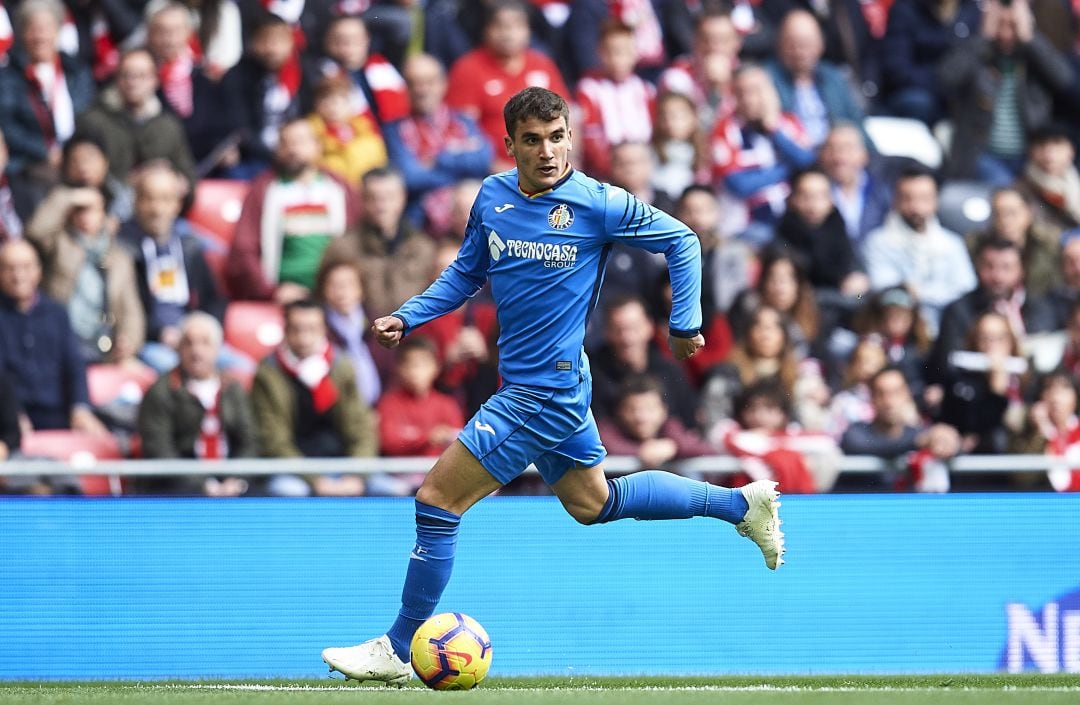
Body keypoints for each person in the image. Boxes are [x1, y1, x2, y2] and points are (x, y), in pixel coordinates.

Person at [321, 87, 785, 685]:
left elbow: (683, 240)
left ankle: (398, 645)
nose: (548, 151)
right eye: (533, 140)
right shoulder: (492, 197)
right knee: (595, 504)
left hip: (543, 393)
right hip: (541, 386)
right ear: (510, 143)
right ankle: (739, 504)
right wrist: (409, 315)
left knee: (437, 501)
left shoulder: (595, 202)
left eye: (558, 136)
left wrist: (685, 322)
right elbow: (466, 273)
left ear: (572, 136)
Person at [937, 0, 1074, 185]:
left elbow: (1064, 79)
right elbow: (946, 77)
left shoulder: (1033, 60)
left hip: (1028, 157)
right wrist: (983, 37)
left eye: (1013, 25)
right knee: (1005, 188)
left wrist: (1030, 38)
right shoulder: (978, 56)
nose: (1006, 33)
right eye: (999, 24)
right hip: (983, 157)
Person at [250, 298, 374, 497]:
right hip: (293, 470)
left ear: (323, 329)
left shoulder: (341, 366)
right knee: (289, 491)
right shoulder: (268, 373)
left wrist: (356, 475)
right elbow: (273, 440)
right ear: (286, 330)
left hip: (343, 465)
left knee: (388, 489)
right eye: (296, 329)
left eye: (311, 329)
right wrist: (315, 479)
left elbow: (361, 429)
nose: (303, 338)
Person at [225, 118, 360, 302]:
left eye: (300, 142)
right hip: (285, 297)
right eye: (285, 143)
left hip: (336, 296)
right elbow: (244, 249)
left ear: (318, 146)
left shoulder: (340, 188)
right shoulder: (263, 190)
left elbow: (359, 242)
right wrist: (271, 291)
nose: (293, 150)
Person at [118, 161, 227, 373]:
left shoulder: (190, 246)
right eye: (149, 199)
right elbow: (122, 310)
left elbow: (215, 299)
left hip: (194, 340)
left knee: (241, 369)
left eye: (165, 200)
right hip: (150, 343)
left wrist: (203, 331)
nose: (157, 209)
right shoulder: (122, 250)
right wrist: (160, 333)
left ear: (177, 204)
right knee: (177, 372)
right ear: (136, 202)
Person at [135, 312, 258, 496]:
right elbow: (160, 450)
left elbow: (251, 441)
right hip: (179, 487)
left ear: (218, 348)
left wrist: (236, 479)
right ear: (178, 348)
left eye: (205, 343)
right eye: (189, 343)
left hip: (230, 481)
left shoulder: (232, 389)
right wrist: (203, 485)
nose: (196, 351)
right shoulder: (161, 392)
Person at [24, 185, 145, 365]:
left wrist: (129, 341)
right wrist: (68, 196)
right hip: (59, 341)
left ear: (103, 213)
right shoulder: (59, 243)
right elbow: (35, 231)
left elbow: (131, 309)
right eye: (78, 210)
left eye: (91, 210)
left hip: (102, 345)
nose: (85, 216)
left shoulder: (120, 258)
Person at [0, 240, 107, 435]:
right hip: (10, 417)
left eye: (26, 267)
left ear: (38, 271)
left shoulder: (56, 313)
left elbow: (74, 363)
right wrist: (12, 415)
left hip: (57, 413)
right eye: (10, 268)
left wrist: (80, 407)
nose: (18, 276)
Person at [445, 0, 570, 165]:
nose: (508, 33)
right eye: (500, 26)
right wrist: (498, 168)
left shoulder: (543, 64)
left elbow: (567, 116)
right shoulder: (467, 68)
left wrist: (570, 160)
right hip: (491, 172)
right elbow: (462, 132)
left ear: (528, 31)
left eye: (517, 26)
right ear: (486, 30)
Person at [382, 53, 492, 232]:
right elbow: (411, 177)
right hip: (423, 222)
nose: (422, 90)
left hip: (470, 214)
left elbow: (484, 159)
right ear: (406, 88)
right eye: (414, 83)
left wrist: (440, 159)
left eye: (429, 82)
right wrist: (461, 165)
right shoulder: (395, 130)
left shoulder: (463, 121)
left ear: (443, 84)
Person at [863, 166, 977, 333]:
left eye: (924, 198)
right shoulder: (877, 242)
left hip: (946, 329)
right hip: (897, 330)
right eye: (908, 198)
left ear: (936, 200)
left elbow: (965, 289)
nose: (916, 207)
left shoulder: (952, 244)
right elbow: (883, 288)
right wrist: (937, 292)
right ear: (895, 200)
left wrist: (919, 292)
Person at [76, 48, 197, 189]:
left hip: (160, 205)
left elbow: (189, 178)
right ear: (116, 79)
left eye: (141, 76)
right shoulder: (92, 122)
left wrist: (175, 182)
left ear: (155, 80)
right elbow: (80, 175)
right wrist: (129, 182)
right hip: (108, 206)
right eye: (126, 75)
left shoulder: (168, 125)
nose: (132, 82)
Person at [840, 366, 961, 492]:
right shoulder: (856, 433)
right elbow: (860, 445)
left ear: (907, 394)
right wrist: (920, 442)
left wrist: (948, 440)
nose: (889, 402)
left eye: (895, 392)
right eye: (881, 393)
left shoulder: (918, 433)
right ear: (872, 397)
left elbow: (953, 448)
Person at [575, 20, 655, 181]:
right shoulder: (589, 89)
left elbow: (654, 132)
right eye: (612, 52)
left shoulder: (645, 89)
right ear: (600, 53)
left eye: (625, 52)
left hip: (644, 171)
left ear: (635, 53)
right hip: (606, 174)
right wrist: (613, 167)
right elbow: (590, 136)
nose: (618, 59)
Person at [597, 374, 715, 470]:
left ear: (663, 411)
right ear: (619, 411)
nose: (641, 417)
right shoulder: (607, 429)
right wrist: (643, 451)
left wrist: (673, 447)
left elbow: (705, 450)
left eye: (649, 409)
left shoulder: (670, 427)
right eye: (631, 409)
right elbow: (608, 447)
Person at [818, 124, 891, 254]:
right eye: (831, 149)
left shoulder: (883, 192)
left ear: (864, 155)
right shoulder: (813, 190)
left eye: (847, 149)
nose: (839, 158)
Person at [306, 74, 388, 187]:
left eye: (339, 99)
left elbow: (380, 165)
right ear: (317, 105)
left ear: (349, 103)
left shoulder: (366, 132)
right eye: (325, 99)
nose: (333, 106)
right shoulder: (310, 137)